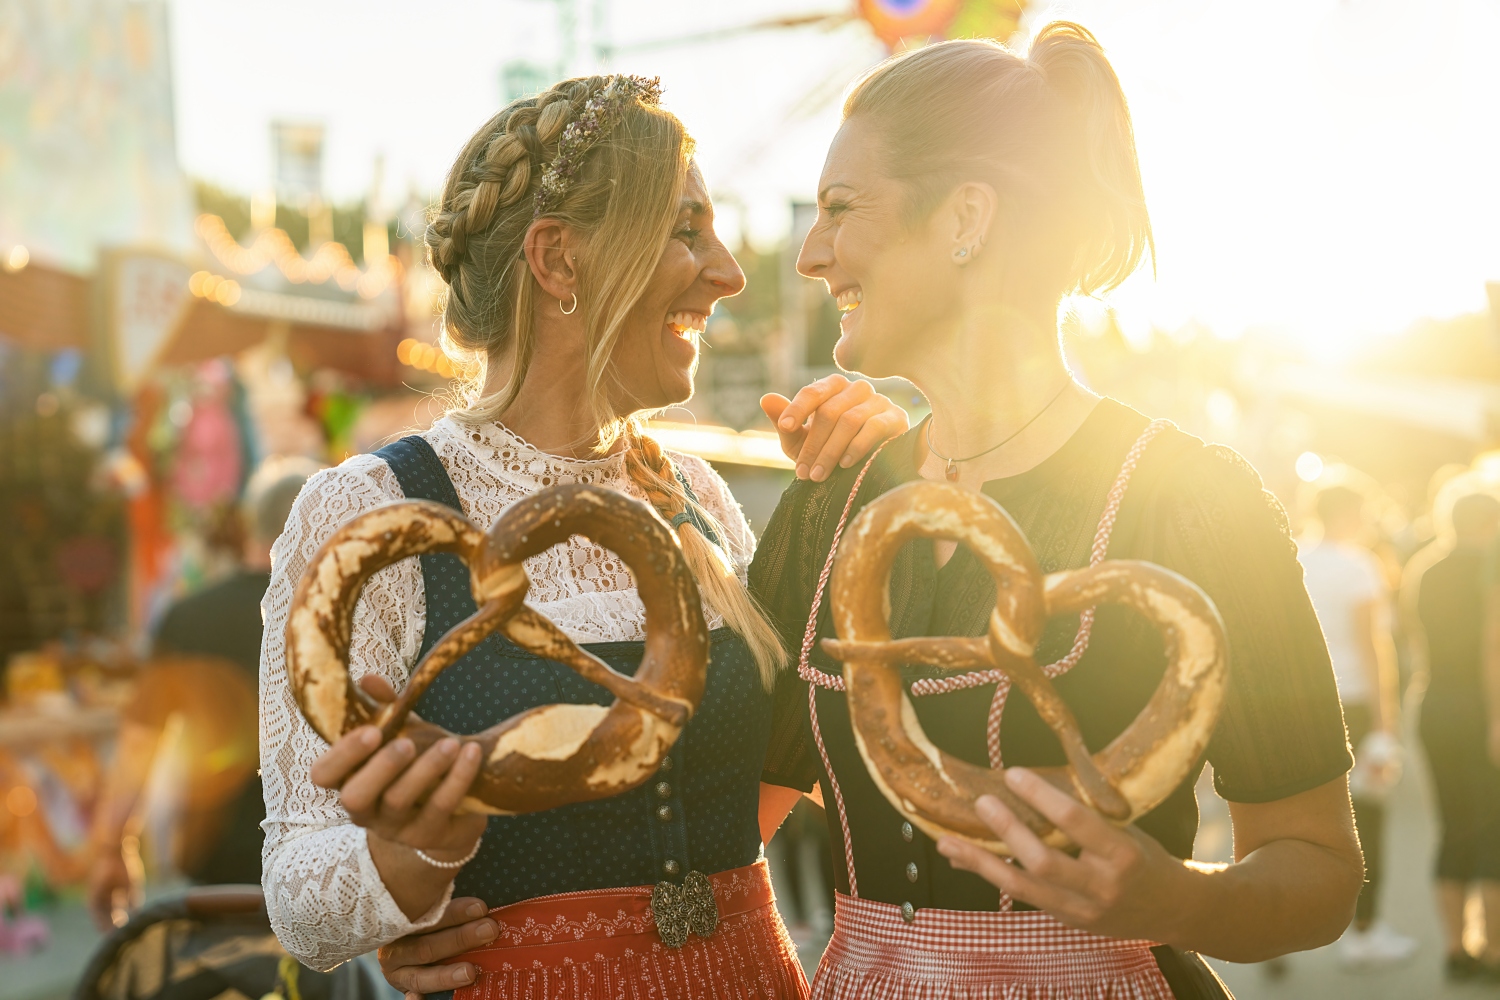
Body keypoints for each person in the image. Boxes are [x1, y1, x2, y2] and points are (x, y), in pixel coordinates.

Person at [256, 75, 909, 998]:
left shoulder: (700, 497)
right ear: (557, 261)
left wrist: (870, 478)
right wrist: (410, 866)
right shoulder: (368, 517)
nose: (727, 272)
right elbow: (298, 899)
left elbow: (756, 787)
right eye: (687, 230)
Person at [744, 25, 1363, 999]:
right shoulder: (831, 502)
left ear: (966, 218)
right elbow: (728, 827)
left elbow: (1318, 865)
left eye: (839, 208)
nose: (813, 253)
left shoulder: (1194, 499)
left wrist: (1177, 899)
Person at [88, 457, 318, 930]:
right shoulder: (346, 616)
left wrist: (115, 847)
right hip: (323, 866)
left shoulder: (189, 617)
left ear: (250, 528)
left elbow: (138, 745)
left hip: (218, 874)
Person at [1298, 483, 1413, 968]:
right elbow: (1375, 649)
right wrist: (1387, 729)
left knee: (1298, 819)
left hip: (1301, 704)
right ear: (1351, 513)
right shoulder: (1359, 566)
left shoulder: (1295, 558)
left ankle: (1285, 935)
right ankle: (1363, 934)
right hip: (1354, 705)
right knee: (1366, 820)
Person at [1410, 490, 1500, 980]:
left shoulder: (1425, 570)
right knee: (1493, 825)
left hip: (1434, 704)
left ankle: (1454, 948)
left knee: (1451, 823)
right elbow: (1494, 648)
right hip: (1482, 708)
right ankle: (1492, 951)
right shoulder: (1491, 572)